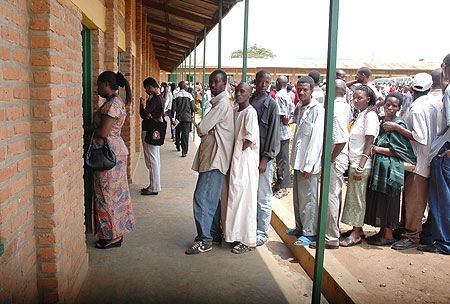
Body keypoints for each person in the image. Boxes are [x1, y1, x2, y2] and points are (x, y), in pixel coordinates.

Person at [384, 73, 437, 250]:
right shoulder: (433, 104)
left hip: (419, 161)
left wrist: (396, 127)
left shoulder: (416, 108)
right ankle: (407, 229)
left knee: (415, 201)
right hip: (428, 158)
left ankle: (412, 235)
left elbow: (419, 137)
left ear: (412, 89)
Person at [186, 70, 234, 255]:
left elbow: (202, 127)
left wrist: (206, 128)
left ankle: (204, 240)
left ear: (225, 84)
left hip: (215, 159)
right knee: (211, 200)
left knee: (202, 198)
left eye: (217, 82)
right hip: (212, 158)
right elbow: (206, 128)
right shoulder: (218, 103)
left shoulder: (221, 104)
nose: (213, 85)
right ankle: (212, 234)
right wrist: (207, 128)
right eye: (211, 81)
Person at [364, 93, 416, 246]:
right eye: (388, 104)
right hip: (381, 169)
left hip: (391, 171)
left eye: (394, 106)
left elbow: (400, 151)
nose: (390, 108)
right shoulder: (384, 123)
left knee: (389, 202)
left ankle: (388, 235)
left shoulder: (398, 124)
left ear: (399, 108)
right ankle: (382, 232)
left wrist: (377, 149)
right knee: (380, 201)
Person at [93, 71, 135, 249]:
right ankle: (115, 233)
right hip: (114, 152)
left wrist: (86, 129)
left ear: (106, 85)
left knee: (107, 195)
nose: (97, 89)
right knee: (114, 194)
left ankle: (112, 237)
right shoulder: (115, 103)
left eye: (99, 85)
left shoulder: (112, 105)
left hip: (108, 155)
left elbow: (103, 133)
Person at [310, 79, 351, 250]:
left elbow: (341, 140)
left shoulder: (336, 109)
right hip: (336, 157)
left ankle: (330, 237)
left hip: (336, 158)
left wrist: (330, 159)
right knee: (333, 196)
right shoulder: (344, 105)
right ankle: (331, 232)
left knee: (331, 197)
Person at [286, 76, 324, 247]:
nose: (301, 92)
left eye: (305, 90)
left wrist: (311, 164)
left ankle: (310, 232)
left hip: (309, 163)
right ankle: (300, 227)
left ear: (312, 90)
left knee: (309, 198)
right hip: (299, 161)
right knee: (298, 197)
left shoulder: (318, 110)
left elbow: (317, 140)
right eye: (299, 89)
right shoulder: (301, 107)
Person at [340, 85, 380, 247]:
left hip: (361, 164)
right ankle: (358, 228)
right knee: (354, 197)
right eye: (354, 97)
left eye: (359, 98)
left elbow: (369, 142)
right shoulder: (361, 114)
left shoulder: (370, 116)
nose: (355, 101)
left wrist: (361, 166)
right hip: (355, 162)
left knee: (357, 198)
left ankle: (356, 233)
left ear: (368, 99)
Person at [418, 54, 450, 255]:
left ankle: (444, 243)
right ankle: (432, 236)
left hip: (444, 149)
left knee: (441, 198)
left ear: (445, 67)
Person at [223, 83, 260, 254]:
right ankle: (233, 235)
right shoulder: (235, 111)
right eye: (236, 91)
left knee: (246, 200)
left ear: (249, 94)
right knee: (235, 197)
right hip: (236, 159)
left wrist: (235, 156)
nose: (238, 94)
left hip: (245, 160)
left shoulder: (250, 113)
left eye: (242, 92)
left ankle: (247, 239)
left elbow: (248, 140)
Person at [250, 70, 280, 247]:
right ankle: (250, 227)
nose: (264, 84)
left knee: (263, 197)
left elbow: (274, 135)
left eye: (267, 82)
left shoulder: (272, 105)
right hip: (248, 157)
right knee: (250, 196)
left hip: (263, 159)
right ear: (255, 82)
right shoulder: (250, 100)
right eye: (261, 81)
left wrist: (266, 159)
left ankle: (261, 232)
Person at [140, 77, 164, 195]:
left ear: (150, 87)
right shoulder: (160, 97)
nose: (146, 91)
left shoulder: (155, 99)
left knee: (151, 159)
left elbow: (143, 114)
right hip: (154, 130)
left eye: (146, 88)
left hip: (150, 130)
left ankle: (154, 188)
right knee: (154, 159)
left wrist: (142, 104)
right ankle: (154, 185)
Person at [273, 76, 294, 199]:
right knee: (281, 159)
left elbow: (283, 116)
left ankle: (284, 187)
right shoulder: (287, 94)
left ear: (277, 83)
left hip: (281, 133)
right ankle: (279, 183)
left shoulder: (279, 96)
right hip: (284, 132)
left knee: (282, 160)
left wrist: (285, 120)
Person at [172, 81, 196, 157]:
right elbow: (194, 108)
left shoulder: (175, 95)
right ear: (185, 87)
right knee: (185, 135)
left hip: (178, 118)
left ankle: (178, 146)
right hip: (186, 118)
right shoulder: (189, 96)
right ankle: (184, 151)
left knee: (178, 132)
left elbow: (173, 109)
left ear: (179, 87)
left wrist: (173, 118)